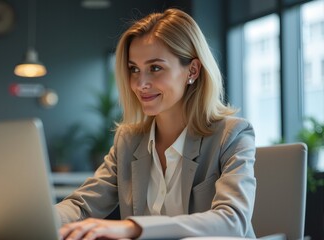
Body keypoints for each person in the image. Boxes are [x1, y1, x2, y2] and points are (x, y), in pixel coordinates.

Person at [56, 8, 256, 240]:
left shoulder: (231, 135)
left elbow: (232, 220)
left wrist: (134, 228)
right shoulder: (128, 141)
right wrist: (32, 221)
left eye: (155, 68)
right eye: (134, 70)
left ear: (192, 70)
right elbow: (82, 206)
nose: (141, 83)